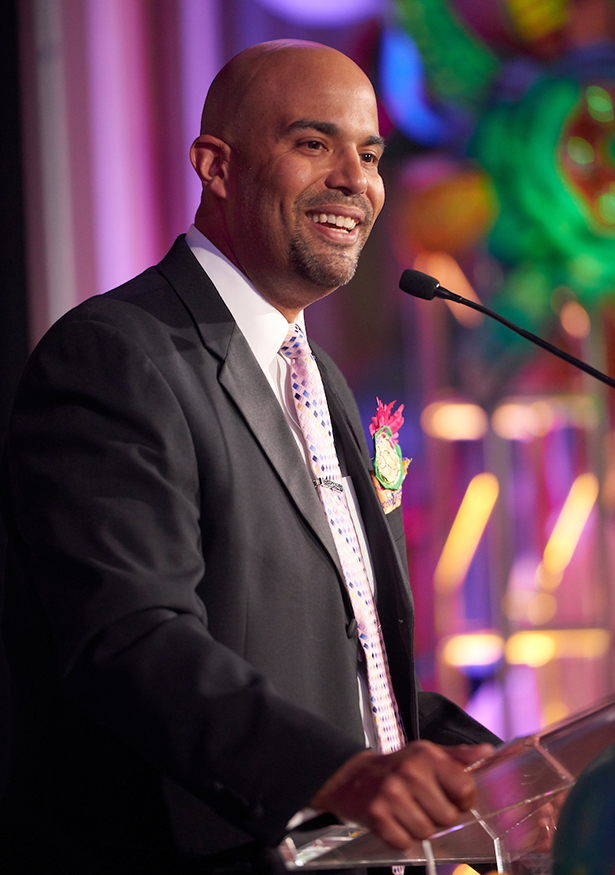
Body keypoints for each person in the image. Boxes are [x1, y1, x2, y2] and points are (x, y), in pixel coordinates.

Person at [0, 40, 499, 873]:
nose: (355, 179)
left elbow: (331, 651)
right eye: (314, 144)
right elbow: (133, 640)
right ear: (216, 167)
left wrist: (461, 750)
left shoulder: (321, 379)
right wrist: (335, 771)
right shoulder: (117, 355)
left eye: (370, 154)